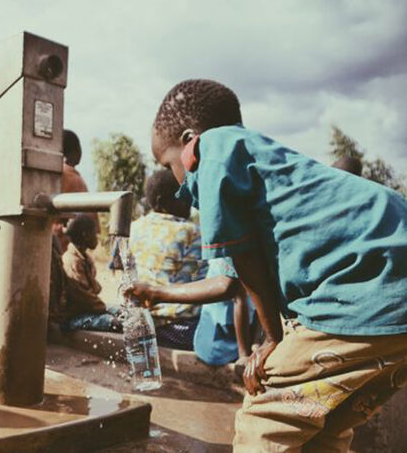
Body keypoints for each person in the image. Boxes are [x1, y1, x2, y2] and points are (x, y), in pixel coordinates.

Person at [150, 79, 407, 451]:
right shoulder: (264, 168)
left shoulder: (214, 149)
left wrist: (273, 339)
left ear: (190, 140)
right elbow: (231, 281)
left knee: (267, 416)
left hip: (365, 291)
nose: (176, 180)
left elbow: (245, 259)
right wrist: (155, 293)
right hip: (391, 294)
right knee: (326, 423)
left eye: (167, 163)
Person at [129, 169, 208, 349]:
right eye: (182, 195)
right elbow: (209, 282)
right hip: (179, 329)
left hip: (141, 323)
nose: (189, 202)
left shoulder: (133, 228)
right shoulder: (191, 232)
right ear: (161, 202)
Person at [128, 256, 254, 365]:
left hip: (217, 342)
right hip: (232, 330)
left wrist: (244, 354)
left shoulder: (227, 244)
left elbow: (232, 289)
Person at [61, 214, 121, 332]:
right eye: (94, 233)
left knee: (122, 311)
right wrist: (105, 309)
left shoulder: (85, 258)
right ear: (85, 235)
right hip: (73, 317)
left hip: (88, 309)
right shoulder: (71, 261)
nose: (97, 237)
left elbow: (94, 289)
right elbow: (84, 298)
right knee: (115, 323)